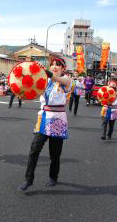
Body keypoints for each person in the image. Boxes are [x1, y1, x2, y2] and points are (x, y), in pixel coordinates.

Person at [19, 57, 72, 192]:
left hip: (57, 119)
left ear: (63, 68)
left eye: (58, 65)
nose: (54, 66)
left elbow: (59, 79)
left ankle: (54, 176)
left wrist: (46, 72)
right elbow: (30, 83)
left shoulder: (66, 80)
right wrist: (35, 70)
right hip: (43, 117)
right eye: (52, 64)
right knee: (34, 149)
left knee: (55, 153)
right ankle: (28, 179)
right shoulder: (45, 80)